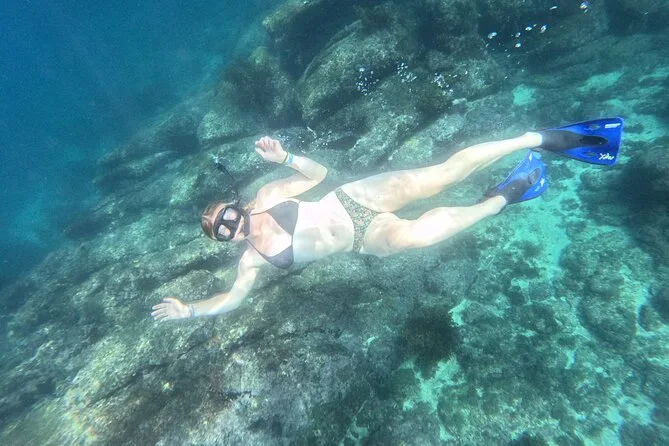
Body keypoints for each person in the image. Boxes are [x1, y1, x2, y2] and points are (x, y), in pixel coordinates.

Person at [151, 118, 623, 321]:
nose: (232, 226)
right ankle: (503, 197)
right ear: (225, 241)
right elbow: (231, 299)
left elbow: (320, 175)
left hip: (355, 197)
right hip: (364, 238)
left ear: (234, 205)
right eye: (223, 231)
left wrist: (285, 158)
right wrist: (190, 310)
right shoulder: (251, 261)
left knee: (442, 175)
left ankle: (535, 139)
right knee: (419, 238)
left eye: (228, 215)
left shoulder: (267, 196)